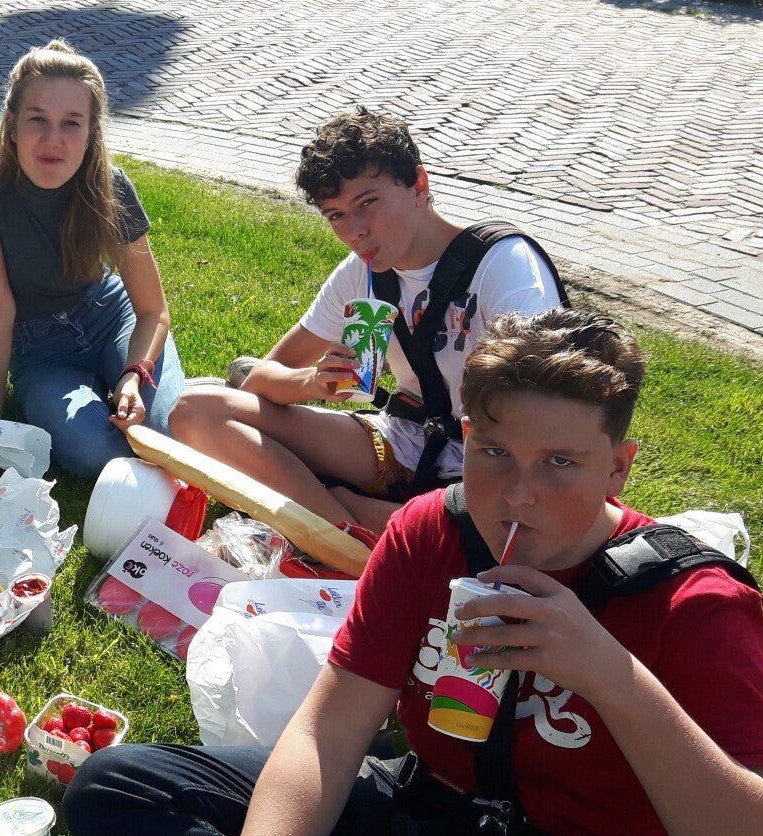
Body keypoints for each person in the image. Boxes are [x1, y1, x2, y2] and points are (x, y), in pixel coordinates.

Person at [0, 309, 763, 836]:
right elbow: (329, 731)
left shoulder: (693, 604)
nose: (517, 495)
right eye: (494, 452)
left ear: (619, 468)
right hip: (420, 818)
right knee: (119, 787)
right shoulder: (434, 532)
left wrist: (609, 673)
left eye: (561, 462)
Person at [169, 107, 566, 533]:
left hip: (494, 470)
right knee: (196, 410)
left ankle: (345, 517)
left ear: (419, 185)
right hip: (404, 441)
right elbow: (261, 378)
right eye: (336, 215)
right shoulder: (362, 272)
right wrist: (314, 382)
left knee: (512, 516)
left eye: (368, 203)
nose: (354, 230)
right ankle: (349, 533)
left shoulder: (502, 265)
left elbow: (549, 415)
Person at [0, 38, 185, 479]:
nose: (53, 140)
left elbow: (152, 310)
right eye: (37, 119)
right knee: (96, 454)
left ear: (91, 132)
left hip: (112, 319)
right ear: (12, 123)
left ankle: (162, 391)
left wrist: (134, 374)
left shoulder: (110, 186)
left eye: (71, 123)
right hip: (40, 352)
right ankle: (123, 397)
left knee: (163, 432)